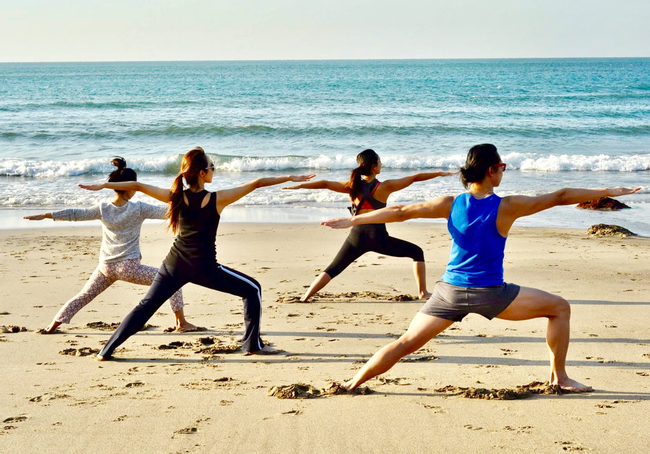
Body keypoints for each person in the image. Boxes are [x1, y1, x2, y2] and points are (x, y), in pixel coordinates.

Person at [322, 143, 640, 392]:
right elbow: (559, 196)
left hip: (448, 294)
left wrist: (353, 219)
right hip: (492, 294)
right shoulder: (508, 205)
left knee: (405, 343)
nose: (503, 171)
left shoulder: (450, 203)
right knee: (559, 308)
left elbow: (403, 211)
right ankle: (561, 378)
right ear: (491, 171)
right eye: (501, 166)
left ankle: (352, 383)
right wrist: (609, 191)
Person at [79, 147, 315, 359]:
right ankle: (253, 346)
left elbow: (138, 186)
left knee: (145, 307)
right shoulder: (217, 199)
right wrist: (289, 176)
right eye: (212, 167)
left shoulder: (176, 197)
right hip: (204, 268)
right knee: (252, 290)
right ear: (202, 173)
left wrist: (105, 186)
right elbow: (256, 183)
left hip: (174, 265)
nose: (214, 170)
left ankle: (105, 350)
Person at [24, 157, 197, 333]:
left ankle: (52, 325)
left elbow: (76, 214)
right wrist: (189, 200)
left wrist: (46, 215)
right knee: (172, 281)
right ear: (131, 186)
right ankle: (181, 323)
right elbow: (168, 212)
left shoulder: (103, 208)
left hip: (105, 267)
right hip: (128, 267)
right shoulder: (138, 208)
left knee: (83, 296)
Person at [283, 148, 456, 302]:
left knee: (333, 268)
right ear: (374, 167)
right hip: (379, 238)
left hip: (356, 237)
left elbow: (325, 184)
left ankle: (306, 296)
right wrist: (441, 173)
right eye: (379, 161)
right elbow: (415, 178)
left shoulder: (352, 186)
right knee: (416, 252)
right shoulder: (386, 186)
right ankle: (422, 292)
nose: (381, 164)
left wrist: (299, 186)